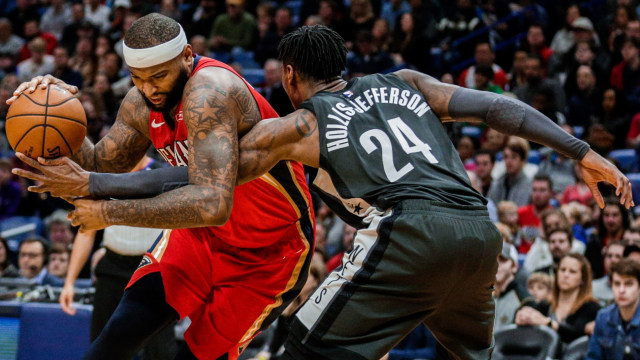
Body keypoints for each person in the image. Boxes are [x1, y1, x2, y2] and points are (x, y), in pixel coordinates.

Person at [232, 25, 630, 360]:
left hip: (409, 232)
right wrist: (581, 151)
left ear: (288, 75)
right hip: (477, 233)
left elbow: (213, 179)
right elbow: (497, 108)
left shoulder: (301, 123)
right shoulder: (406, 82)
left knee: (304, 348)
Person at [11, 13, 314, 360]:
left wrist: (109, 212)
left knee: (196, 357)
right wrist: (57, 106)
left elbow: (213, 203)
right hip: (200, 236)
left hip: (268, 250)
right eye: (138, 78)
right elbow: (97, 166)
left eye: (159, 76)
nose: (150, 88)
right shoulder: (140, 103)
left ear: (187, 55)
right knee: (113, 341)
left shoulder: (210, 92)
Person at [515, 254, 601, 344]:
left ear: (583, 279)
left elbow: (577, 334)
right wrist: (524, 317)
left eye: (572, 272)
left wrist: (547, 323)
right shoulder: (545, 304)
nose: (566, 275)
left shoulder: (591, 307)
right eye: (562, 270)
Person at [586, 258, 640, 359]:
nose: (621, 290)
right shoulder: (603, 317)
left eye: (628, 284)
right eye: (617, 284)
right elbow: (593, 357)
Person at [494, 241, 530, 332]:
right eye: (492, 259)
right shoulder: (481, 295)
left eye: (502, 260)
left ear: (514, 267)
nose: (496, 264)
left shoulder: (524, 300)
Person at [592, 241, 626, 305]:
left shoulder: (634, 289)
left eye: (618, 256)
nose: (612, 260)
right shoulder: (593, 287)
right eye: (609, 256)